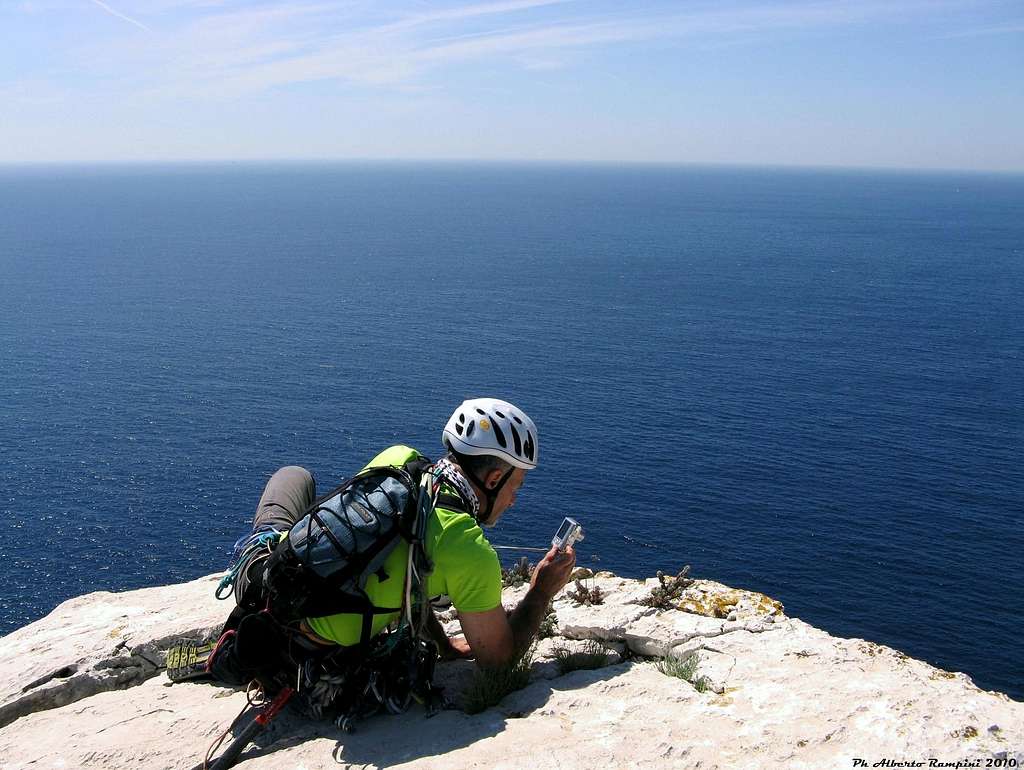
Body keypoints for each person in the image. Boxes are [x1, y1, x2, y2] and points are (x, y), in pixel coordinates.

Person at [212, 398, 576, 691]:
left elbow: (400, 559)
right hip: (309, 658)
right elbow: (498, 663)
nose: (515, 498)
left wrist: (443, 646)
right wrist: (541, 590)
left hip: (268, 579)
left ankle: (256, 548)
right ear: (495, 478)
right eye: (517, 486)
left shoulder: (398, 460)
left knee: (293, 476)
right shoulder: (470, 549)